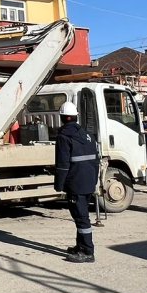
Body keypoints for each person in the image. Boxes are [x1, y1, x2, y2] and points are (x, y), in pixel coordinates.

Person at [54, 102, 98, 263]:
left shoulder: (64, 137)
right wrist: (94, 181)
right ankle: (80, 246)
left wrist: (59, 185)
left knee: (81, 218)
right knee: (82, 216)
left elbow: (62, 165)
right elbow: (96, 160)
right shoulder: (87, 135)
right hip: (88, 182)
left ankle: (87, 251)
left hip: (75, 183)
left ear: (62, 118)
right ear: (76, 116)